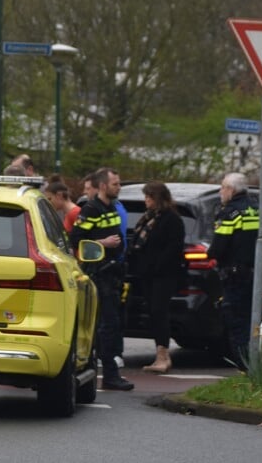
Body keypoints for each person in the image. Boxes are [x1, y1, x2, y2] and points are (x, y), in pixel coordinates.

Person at [70, 167, 133, 390]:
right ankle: (108, 375)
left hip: (113, 274)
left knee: (112, 326)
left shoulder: (112, 208)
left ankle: (108, 372)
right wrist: (102, 244)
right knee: (106, 326)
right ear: (104, 186)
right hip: (100, 273)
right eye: (116, 184)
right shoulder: (91, 209)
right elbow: (75, 239)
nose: (119, 187)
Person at [128, 181, 185, 373]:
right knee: (153, 314)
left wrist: (156, 266)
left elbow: (173, 249)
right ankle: (160, 354)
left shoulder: (171, 220)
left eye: (149, 197)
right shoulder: (148, 218)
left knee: (159, 312)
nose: (146, 201)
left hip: (163, 276)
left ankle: (163, 355)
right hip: (147, 276)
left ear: (158, 199)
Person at [207, 172, 261, 371]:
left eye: (222, 187)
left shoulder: (229, 214)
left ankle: (245, 367)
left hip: (235, 275)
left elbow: (218, 247)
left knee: (236, 322)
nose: (221, 192)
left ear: (231, 190)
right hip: (257, 274)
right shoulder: (258, 210)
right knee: (251, 320)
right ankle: (253, 362)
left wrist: (209, 254)